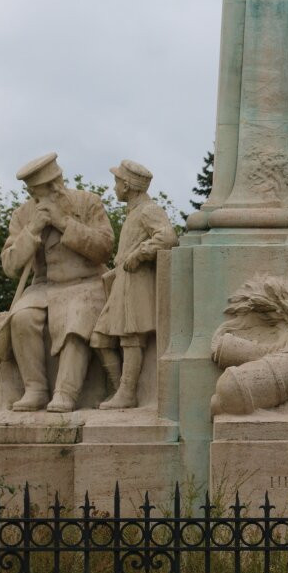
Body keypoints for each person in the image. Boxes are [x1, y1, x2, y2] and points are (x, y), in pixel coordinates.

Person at [1, 153, 114, 412]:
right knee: (21, 317)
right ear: (32, 191)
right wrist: (32, 231)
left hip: (87, 283)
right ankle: (36, 389)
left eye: (57, 181)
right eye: (46, 187)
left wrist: (64, 223)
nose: (55, 189)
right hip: (43, 288)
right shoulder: (23, 215)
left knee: (78, 318)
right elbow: (10, 265)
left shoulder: (87, 203)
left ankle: (65, 393)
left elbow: (104, 248)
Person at [91, 160, 178, 409]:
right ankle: (121, 390)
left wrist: (140, 253)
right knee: (100, 338)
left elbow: (167, 236)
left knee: (131, 339)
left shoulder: (148, 210)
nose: (114, 187)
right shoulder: (133, 211)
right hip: (122, 281)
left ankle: (127, 393)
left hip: (136, 282)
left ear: (127, 185)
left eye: (117, 182)